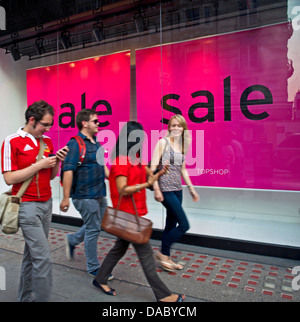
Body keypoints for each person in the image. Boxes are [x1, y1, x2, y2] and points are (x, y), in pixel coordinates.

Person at [93, 121, 185, 302]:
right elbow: (123, 189)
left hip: (134, 215)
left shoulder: (136, 159)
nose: (142, 141)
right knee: (146, 256)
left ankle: (100, 278)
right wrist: (148, 183)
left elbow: (148, 176)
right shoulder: (121, 161)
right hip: (127, 216)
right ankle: (164, 295)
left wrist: (157, 174)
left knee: (119, 248)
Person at [1, 100, 68, 302]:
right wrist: (39, 165)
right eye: (45, 125)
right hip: (26, 206)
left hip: (46, 204)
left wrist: (58, 161)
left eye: (50, 125)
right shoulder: (12, 141)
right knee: (43, 259)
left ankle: (25, 298)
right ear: (32, 120)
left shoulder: (47, 142)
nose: (48, 129)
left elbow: (50, 176)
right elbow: (9, 178)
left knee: (32, 256)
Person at [60, 109, 110, 277]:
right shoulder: (75, 143)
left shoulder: (96, 143)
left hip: (99, 193)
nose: (98, 124)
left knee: (96, 225)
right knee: (93, 230)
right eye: (95, 121)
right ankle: (94, 268)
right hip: (84, 195)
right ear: (84, 123)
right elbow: (68, 171)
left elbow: (104, 169)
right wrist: (66, 198)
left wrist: (119, 182)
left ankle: (72, 240)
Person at [150, 114, 199, 272]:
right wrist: (156, 189)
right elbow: (152, 169)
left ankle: (166, 257)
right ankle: (161, 255)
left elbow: (183, 170)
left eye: (179, 126)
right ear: (169, 127)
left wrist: (191, 188)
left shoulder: (182, 145)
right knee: (184, 224)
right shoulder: (162, 143)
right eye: (173, 125)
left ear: (184, 128)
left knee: (171, 224)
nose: (176, 128)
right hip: (165, 189)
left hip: (178, 190)